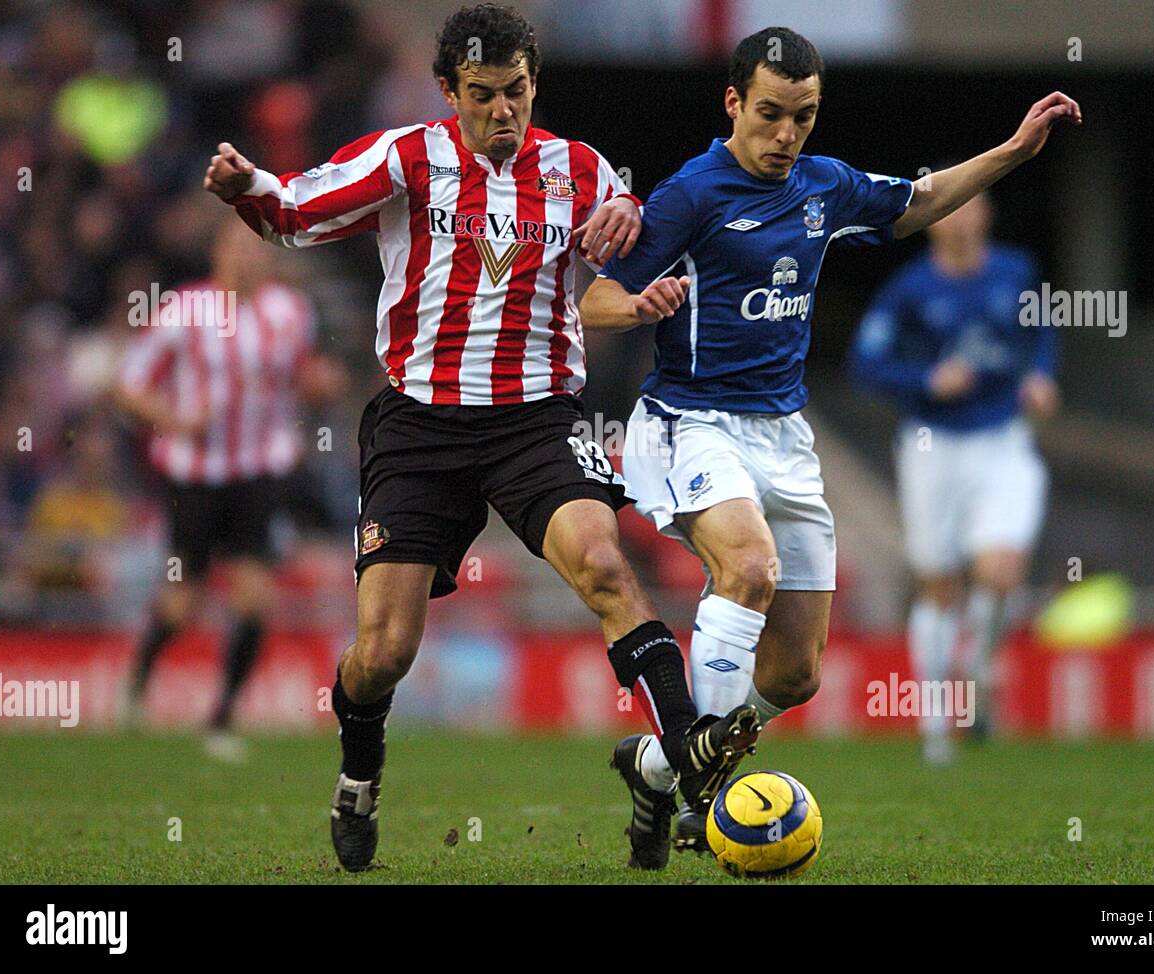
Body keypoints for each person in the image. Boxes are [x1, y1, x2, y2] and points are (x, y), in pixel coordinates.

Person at [203, 3, 757, 873]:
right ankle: (359, 772)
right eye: (485, 94)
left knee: (608, 568)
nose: (504, 111)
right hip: (418, 424)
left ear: (536, 84)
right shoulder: (407, 157)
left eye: (518, 92)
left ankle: (695, 776)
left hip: (536, 418)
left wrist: (632, 248)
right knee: (383, 652)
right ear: (448, 92)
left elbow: (626, 241)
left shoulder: (579, 171)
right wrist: (247, 188)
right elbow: (296, 212)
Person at [580, 26, 1079, 849]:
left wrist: (1015, 152)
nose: (786, 136)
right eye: (771, 114)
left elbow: (917, 203)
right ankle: (708, 800)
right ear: (734, 102)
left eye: (803, 118)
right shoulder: (689, 196)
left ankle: (660, 767)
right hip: (691, 422)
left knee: (796, 674)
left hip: (784, 433)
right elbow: (596, 298)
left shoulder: (824, 185)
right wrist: (637, 307)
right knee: (747, 568)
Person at [115, 215, 337, 761]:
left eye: (256, 248)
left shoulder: (290, 312)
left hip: (261, 471)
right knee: (182, 602)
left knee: (255, 598)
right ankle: (137, 686)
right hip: (195, 476)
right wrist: (176, 418)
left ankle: (221, 718)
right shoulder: (185, 310)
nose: (247, 258)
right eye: (237, 247)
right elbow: (129, 386)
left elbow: (305, 379)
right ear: (218, 253)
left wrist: (319, 385)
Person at [851, 192, 1058, 763]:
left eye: (971, 206)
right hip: (931, 445)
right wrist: (925, 380)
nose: (961, 218)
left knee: (1001, 569)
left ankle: (980, 668)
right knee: (939, 584)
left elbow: (1040, 333)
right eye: (949, 209)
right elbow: (865, 363)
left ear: (986, 215)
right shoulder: (909, 290)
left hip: (1002, 439)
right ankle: (938, 721)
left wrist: (1040, 375)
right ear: (931, 224)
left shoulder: (1017, 272)